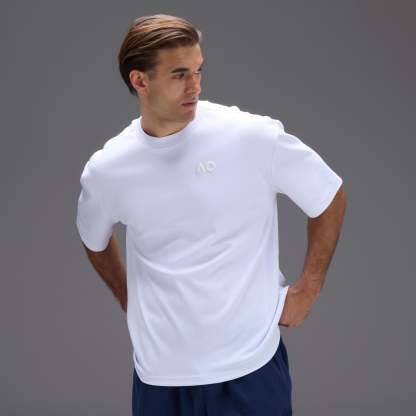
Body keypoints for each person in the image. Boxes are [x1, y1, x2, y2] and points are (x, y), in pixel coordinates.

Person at [76, 13, 347, 416]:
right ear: (140, 81)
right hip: (159, 377)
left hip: (250, 369)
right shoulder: (109, 169)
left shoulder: (250, 136)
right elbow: (93, 240)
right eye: (180, 75)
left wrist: (309, 287)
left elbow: (328, 195)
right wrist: (129, 297)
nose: (195, 86)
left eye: (198, 71)